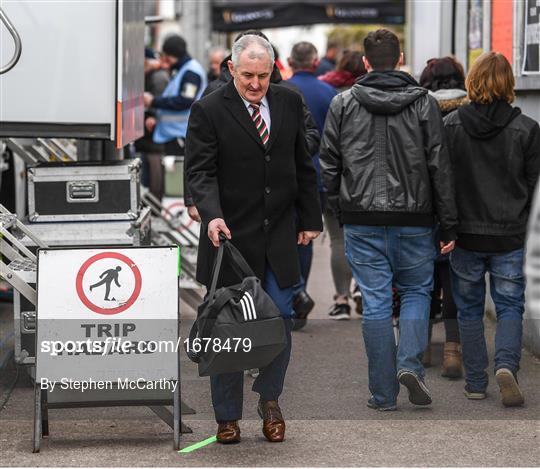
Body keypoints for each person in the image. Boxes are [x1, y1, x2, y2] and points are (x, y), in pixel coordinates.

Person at [185, 34, 322, 443]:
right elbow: (200, 172)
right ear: (231, 68)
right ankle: (227, 416)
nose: (256, 84)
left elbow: (303, 164)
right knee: (228, 329)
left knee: (280, 319)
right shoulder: (208, 109)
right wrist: (211, 216)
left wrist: (310, 217)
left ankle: (270, 399)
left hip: (279, 233)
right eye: (247, 75)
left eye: (263, 76)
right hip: (228, 237)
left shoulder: (288, 101)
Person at [320, 29, 457, 410]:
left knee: (377, 301)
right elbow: (439, 165)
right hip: (415, 217)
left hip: (361, 216)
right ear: (400, 60)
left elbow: (328, 163)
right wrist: (449, 222)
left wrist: (338, 207)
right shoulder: (423, 103)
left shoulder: (343, 103)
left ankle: (382, 394)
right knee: (416, 292)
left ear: (365, 63)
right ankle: (409, 364)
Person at [444, 52, 540, 406]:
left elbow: (444, 182)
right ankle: (506, 366)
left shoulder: (451, 126)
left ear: (473, 81)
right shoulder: (528, 130)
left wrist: (447, 228)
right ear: (509, 84)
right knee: (510, 306)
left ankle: (475, 383)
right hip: (510, 235)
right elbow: (533, 186)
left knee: (468, 309)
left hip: (465, 236)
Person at [419, 56, 468, 377]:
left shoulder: (420, 113)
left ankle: (420, 346)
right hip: (461, 211)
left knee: (420, 283)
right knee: (453, 283)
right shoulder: (469, 115)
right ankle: (453, 350)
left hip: (423, 211)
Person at [287, 42, 339, 322]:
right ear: (316, 61)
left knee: (283, 237)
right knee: (305, 238)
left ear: (288, 60)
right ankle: (300, 296)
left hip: (282, 177)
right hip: (316, 175)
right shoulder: (328, 92)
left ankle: (289, 296)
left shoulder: (280, 90)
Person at [318, 50, 367, 319]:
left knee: (338, 240)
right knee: (366, 240)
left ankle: (341, 299)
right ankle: (362, 288)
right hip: (364, 179)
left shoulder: (328, 92)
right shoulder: (368, 94)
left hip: (333, 175)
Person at [144, 35, 207, 159]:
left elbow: (185, 100)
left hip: (181, 135)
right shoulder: (183, 70)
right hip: (175, 134)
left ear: (171, 56)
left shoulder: (191, 73)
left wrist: (153, 101)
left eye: (166, 57)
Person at [135, 47, 169, 200]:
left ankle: (156, 203)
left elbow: (163, 101)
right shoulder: (148, 75)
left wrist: (154, 116)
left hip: (155, 136)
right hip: (148, 136)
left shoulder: (158, 77)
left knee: (154, 167)